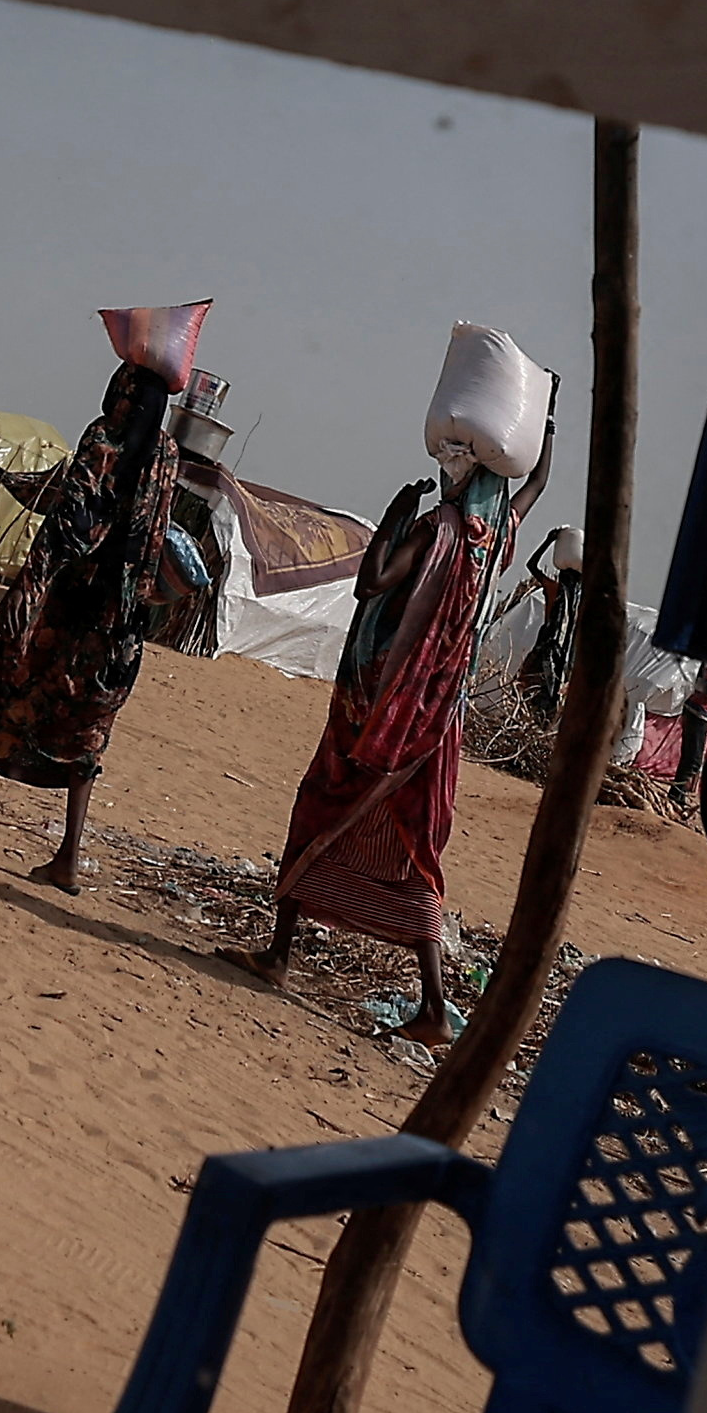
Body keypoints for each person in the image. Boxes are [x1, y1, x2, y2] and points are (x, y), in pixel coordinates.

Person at [257, 324, 549, 1038]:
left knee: (320, 809)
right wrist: (550, 417)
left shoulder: (439, 528)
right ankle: (429, 1003)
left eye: (455, 458)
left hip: (378, 710)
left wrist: (393, 517)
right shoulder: (495, 535)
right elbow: (536, 481)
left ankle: (279, 955)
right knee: (416, 844)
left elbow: (371, 585)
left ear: (463, 470)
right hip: (436, 721)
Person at [0, 301, 205, 888]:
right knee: (85, 731)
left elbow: (72, 524)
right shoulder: (166, 457)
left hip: (66, 604)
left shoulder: (103, 439)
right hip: (117, 621)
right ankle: (67, 857)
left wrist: (26, 595)